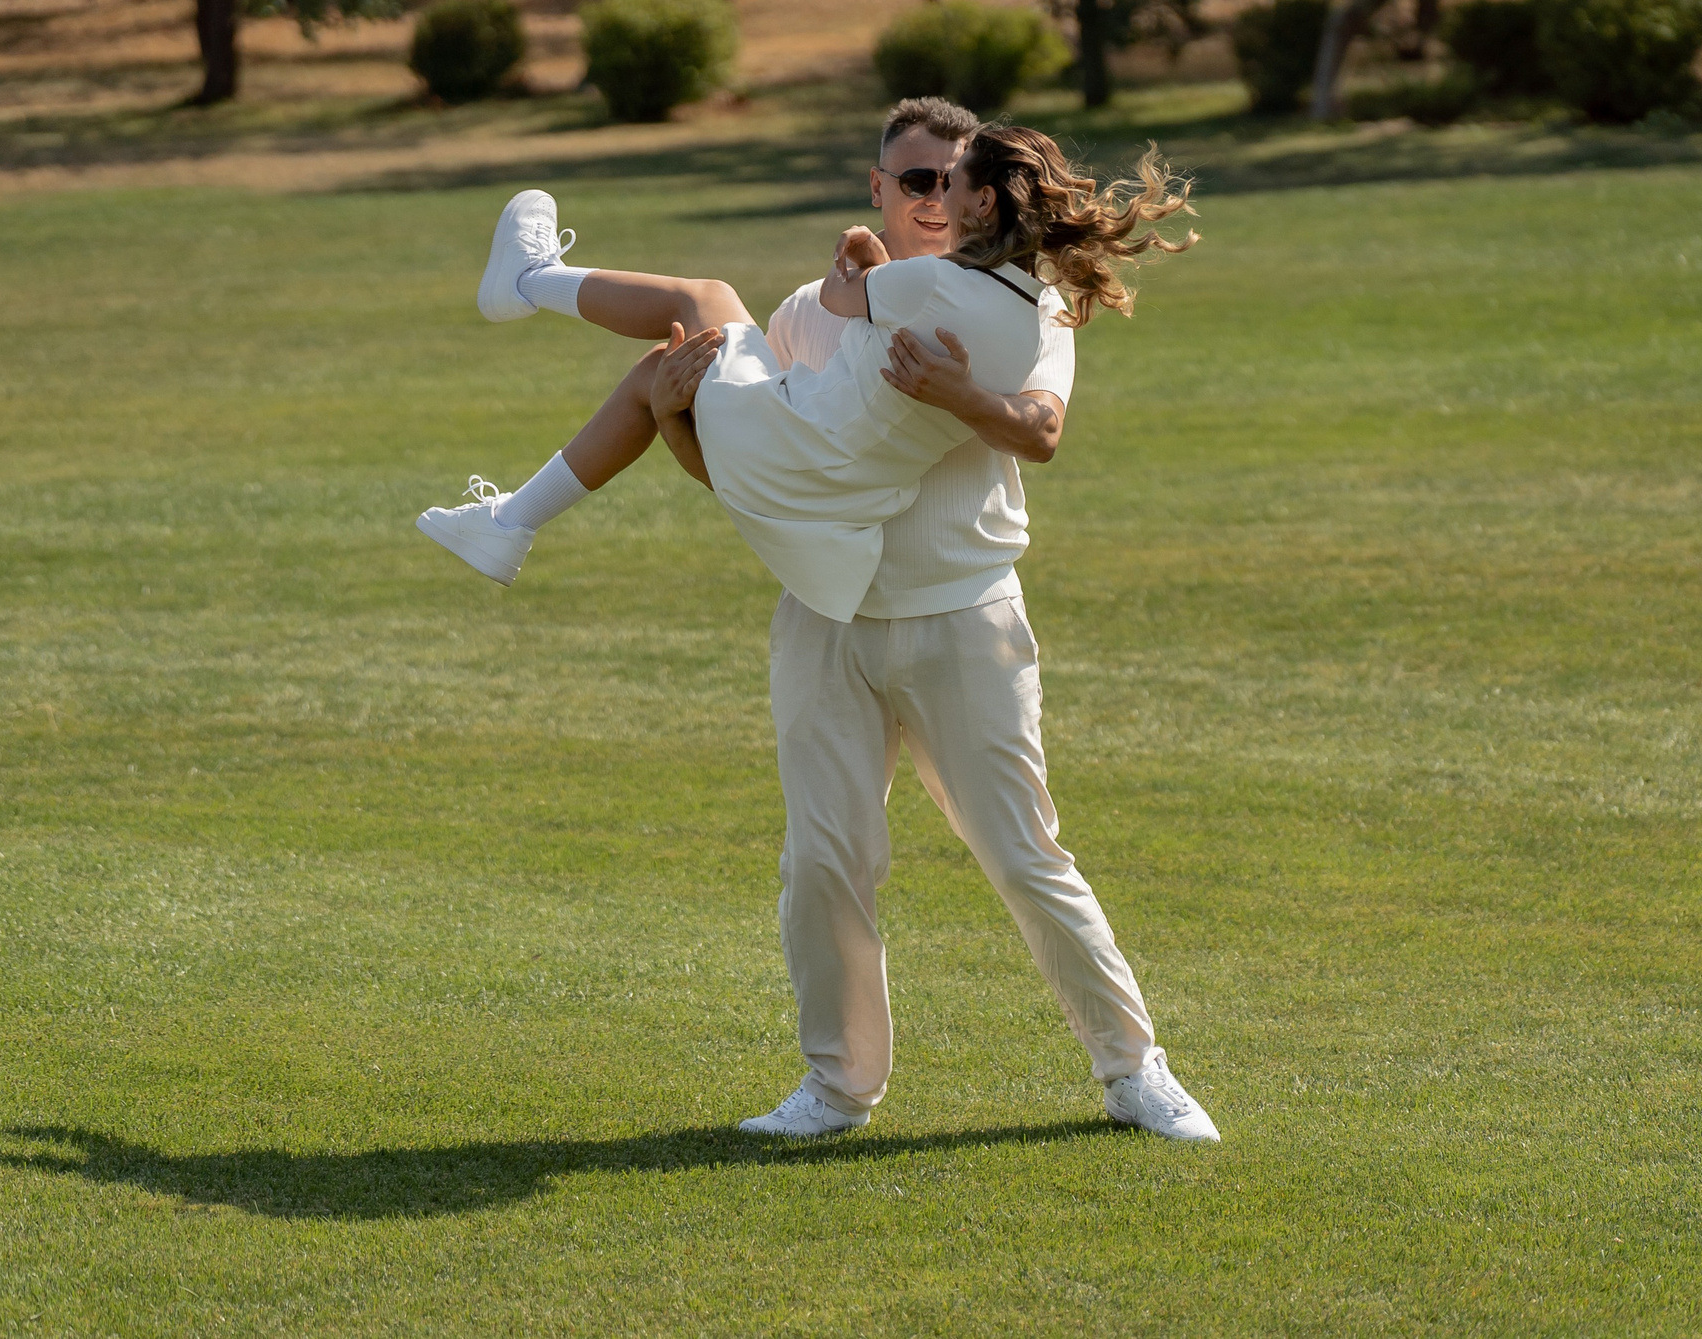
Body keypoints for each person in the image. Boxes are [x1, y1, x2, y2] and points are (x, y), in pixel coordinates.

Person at [418, 101, 1222, 1142]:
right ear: (878, 193)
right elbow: (772, 483)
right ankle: (837, 1088)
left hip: (961, 618)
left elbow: (1039, 430)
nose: (933, 200)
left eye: (949, 180)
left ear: (981, 196)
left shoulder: (1032, 306)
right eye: (913, 182)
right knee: (823, 863)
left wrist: (952, 388)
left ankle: (1133, 1070)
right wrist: (668, 417)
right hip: (823, 618)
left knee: (1024, 854)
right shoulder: (812, 310)